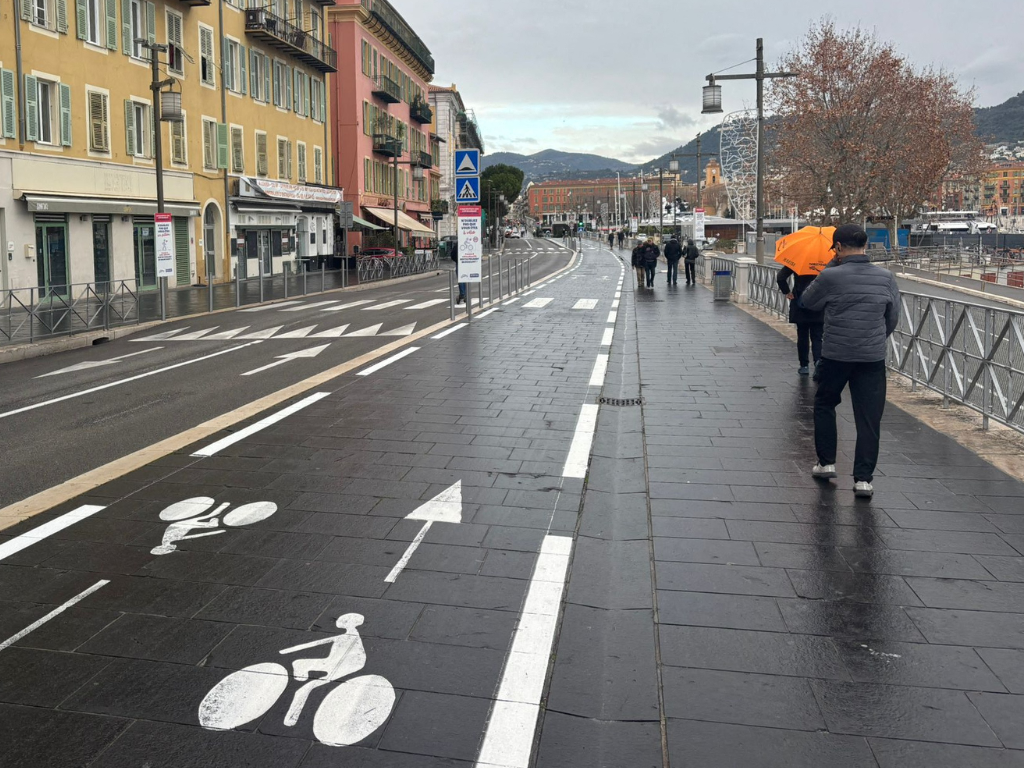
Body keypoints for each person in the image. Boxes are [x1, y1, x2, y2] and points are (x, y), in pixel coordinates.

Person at [799, 224, 900, 499]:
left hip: (835, 354)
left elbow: (807, 302)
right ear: (865, 246)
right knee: (869, 418)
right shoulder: (886, 278)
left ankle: (826, 462)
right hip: (871, 357)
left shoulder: (831, 276)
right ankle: (864, 480)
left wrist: (832, 264)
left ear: (839, 248)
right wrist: (874, 338)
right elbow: (892, 318)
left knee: (825, 403)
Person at [777, 265, 825, 377]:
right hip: (818, 302)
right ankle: (818, 362)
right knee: (818, 336)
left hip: (800, 301)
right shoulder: (824, 261)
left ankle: (804, 366)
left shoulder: (797, 261)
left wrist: (787, 292)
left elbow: (780, 277)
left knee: (802, 335)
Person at [450, 240, 466, 304]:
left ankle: (463, 294)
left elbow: (452, 254)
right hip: (467, 262)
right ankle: (464, 294)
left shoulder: (457, 244)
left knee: (461, 278)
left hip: (459, 262)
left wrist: (457, 260)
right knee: (466, 278)